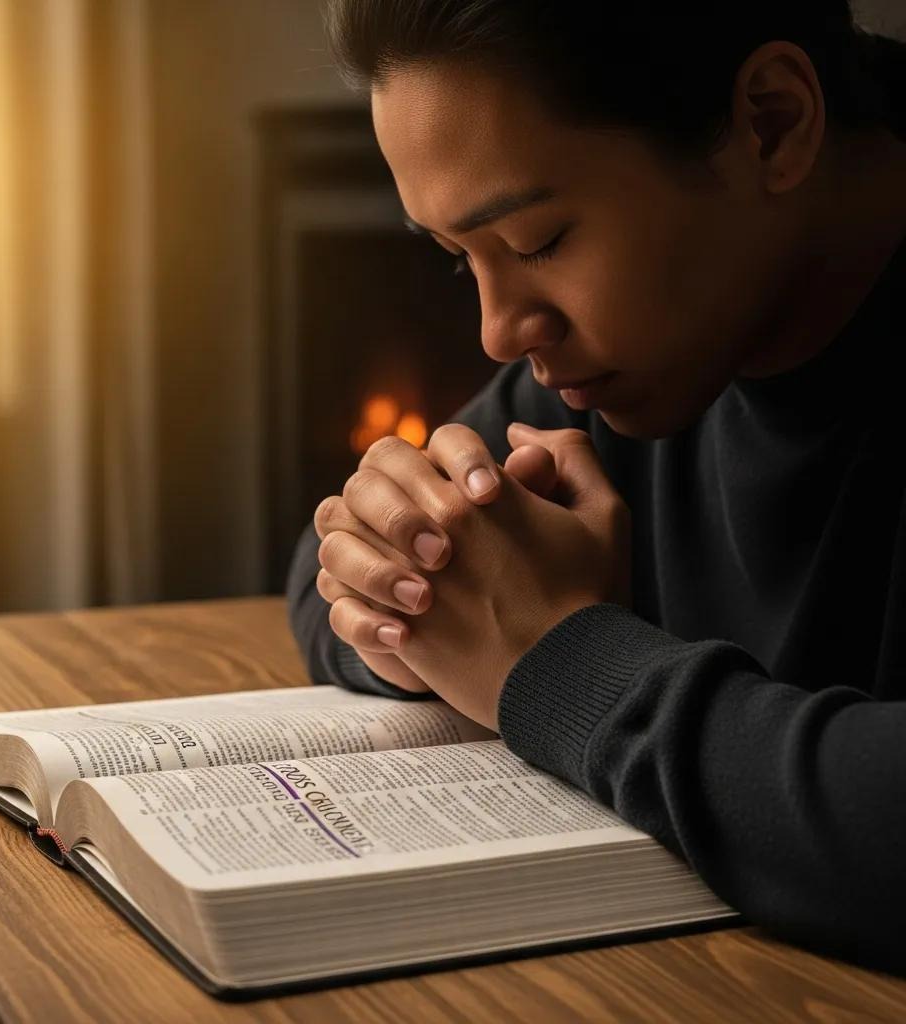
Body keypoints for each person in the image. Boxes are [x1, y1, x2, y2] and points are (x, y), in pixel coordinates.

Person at [285, 0, 906, 972]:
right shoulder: (644, 344)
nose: (497, 331)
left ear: (771, 124)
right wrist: (429, 605)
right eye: (459, 258)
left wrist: (557, 664)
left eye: (536, 242)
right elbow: (321, 568)